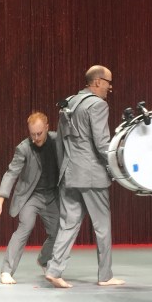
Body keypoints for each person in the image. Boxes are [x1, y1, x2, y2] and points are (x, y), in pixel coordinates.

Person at [44, 65, 124, 288]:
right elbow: (102, 144)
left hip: (69, 173)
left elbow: (60, 144)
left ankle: (54, 270)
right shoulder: (98, 105)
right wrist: (121, 162)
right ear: (97, 81)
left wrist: (64, 169)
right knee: (102, 226)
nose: (110, 88)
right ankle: (105, 276)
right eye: (108, 83)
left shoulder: (69, 103)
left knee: (68, 224)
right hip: (91, 175)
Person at [0, 112, 63, 284]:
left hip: (52, 195)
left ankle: (44, 259)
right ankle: (6, 271)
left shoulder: (57, 141)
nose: (36, 138)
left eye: (39, 133)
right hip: (31, 196)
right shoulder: (23, 148)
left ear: (47, 127)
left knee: (58, 232)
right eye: (32, 134)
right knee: (25, 227)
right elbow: (11, 173)